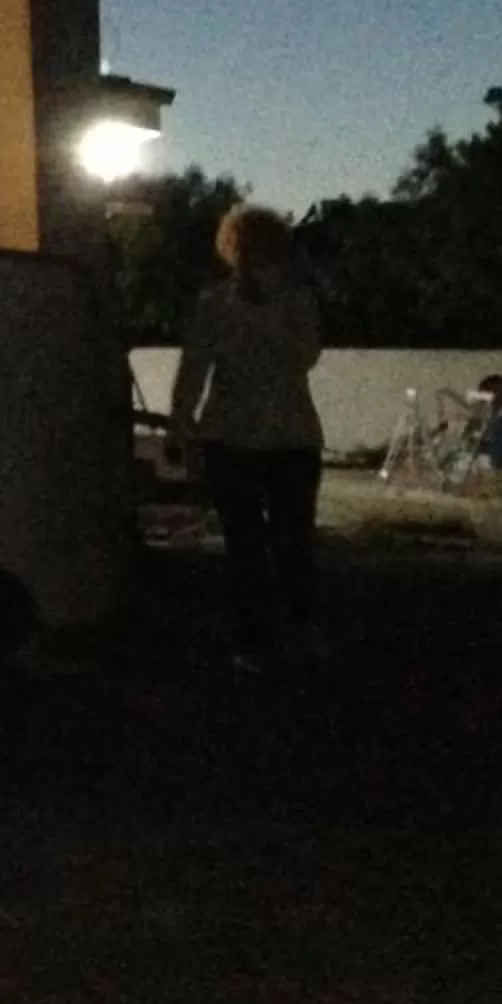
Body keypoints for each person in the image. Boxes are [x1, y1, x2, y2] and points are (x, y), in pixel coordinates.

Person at [170, 203, 326, 667]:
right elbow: (304, 356)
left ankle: (261, 640)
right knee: (278, 542)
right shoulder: (286, 301)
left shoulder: (225, 303)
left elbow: (195, 369)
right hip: (279, 438)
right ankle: (285, 635)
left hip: (248, 438)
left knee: (259, 545)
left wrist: (183, 424)